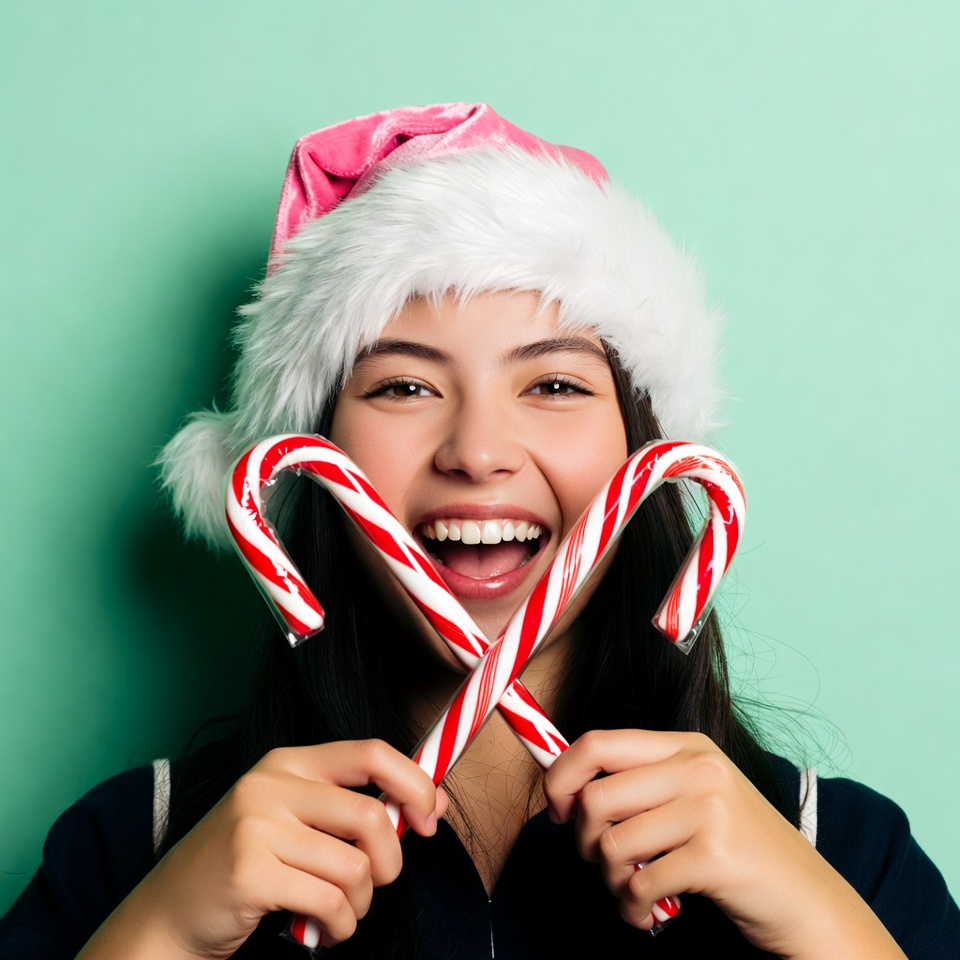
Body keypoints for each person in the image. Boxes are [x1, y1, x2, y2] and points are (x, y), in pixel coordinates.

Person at [1, 103, 957, 960]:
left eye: (555, 383)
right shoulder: (134, 847)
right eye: (404, 386)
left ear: (644, 452)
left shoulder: (839, 850)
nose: (478, 451)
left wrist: (827, 933)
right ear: (314, 455)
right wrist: (162, 936)